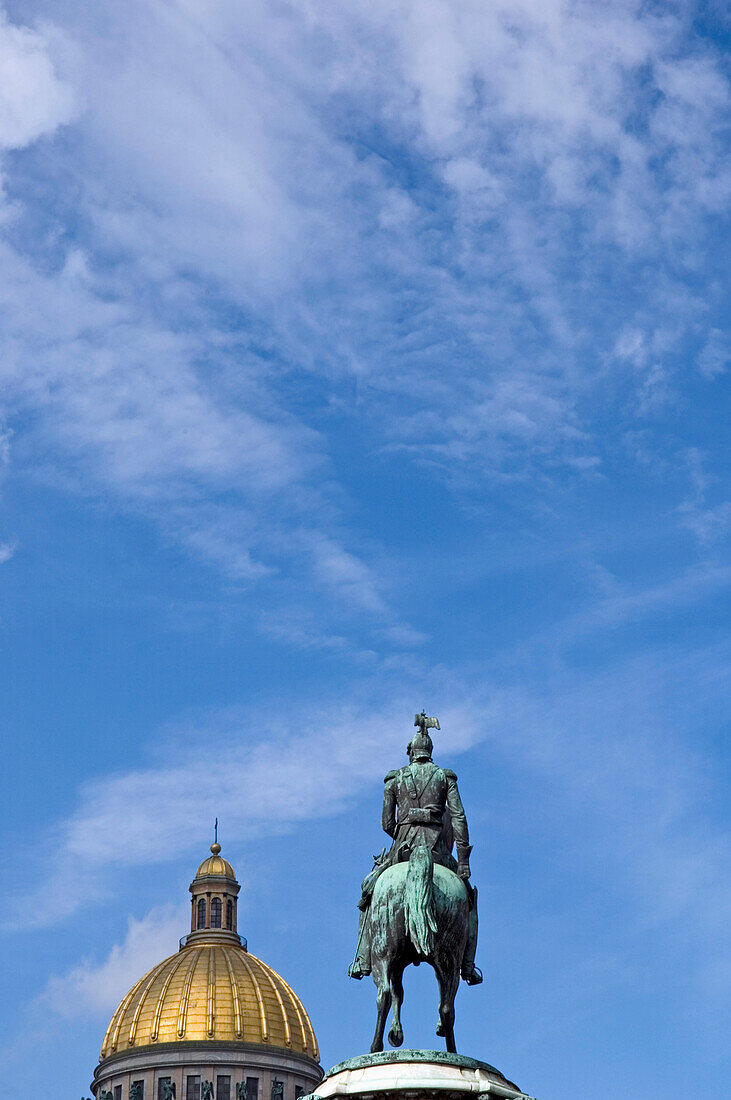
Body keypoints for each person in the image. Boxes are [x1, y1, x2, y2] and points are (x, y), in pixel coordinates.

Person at [348, 715, 482, 984]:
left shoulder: (395, 779)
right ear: (429, 752)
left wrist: (405, 828)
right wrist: (464, 860)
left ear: (411, 753)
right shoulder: (445, 777)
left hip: (404, 847)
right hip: (438, 852)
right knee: (468, 901)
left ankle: (362, 957)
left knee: (368, 894)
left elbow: (387, 823)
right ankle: (467, 966)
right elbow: (458, 818)